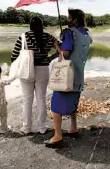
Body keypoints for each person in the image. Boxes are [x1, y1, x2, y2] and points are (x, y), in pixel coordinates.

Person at [44, 8, 93, 148]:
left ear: (74, 20)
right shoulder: (86, 34)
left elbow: (65, 54)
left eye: (69, 17)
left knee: (55, 106)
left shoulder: (69, 33)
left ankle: (58, 136)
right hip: (79, 74)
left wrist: (57, 46)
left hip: (66, 76)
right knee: (73, 104)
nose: (67, 19)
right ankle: (73, 128)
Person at [11, 16, 59, 135]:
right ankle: (42, 127)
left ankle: (26, 128)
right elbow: (61, 47)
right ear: (42, 26)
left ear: (30, 26)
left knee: (27, 100)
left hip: (27, 71)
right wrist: (49, 58)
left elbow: (13, 56)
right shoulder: (48, 36)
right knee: (41, 99)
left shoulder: (23, 37)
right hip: (42, 69)